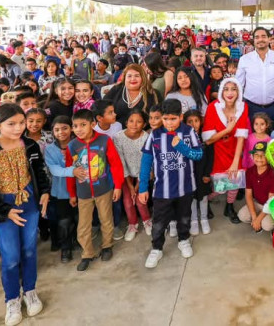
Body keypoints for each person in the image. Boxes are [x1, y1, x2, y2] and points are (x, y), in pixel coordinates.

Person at [0, 103, 50, 326]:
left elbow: (40, 172)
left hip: (29, 205)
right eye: (11, 124)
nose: (18, 128)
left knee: (29, 250)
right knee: (11, 257)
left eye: (21, 123)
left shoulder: (31, 145)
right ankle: (12, 299)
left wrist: (44, 192)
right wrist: (4, 210)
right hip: (3, 210)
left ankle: (30, 291)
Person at [139, 99, 203, 269]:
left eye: (173, 119)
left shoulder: (188, 132)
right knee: (159, 222)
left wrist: (182, 147)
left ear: (181, 117)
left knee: (184, 217)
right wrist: (143, 187)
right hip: (162, 190)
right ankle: (156, 248)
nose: (169, 123)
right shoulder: (154, 135)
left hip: (185, 187)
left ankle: (184, 240)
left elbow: (198, 155)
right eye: (165, 119)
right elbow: (146, 162)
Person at [66, 109, 124, 272]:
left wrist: (118, 186)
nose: (78, 129)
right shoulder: (72, 146)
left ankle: (107, 246)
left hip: (104, 189)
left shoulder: (104, 140)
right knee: (83, 225)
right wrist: (72, 193)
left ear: (92, 124)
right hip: (83, 193)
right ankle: (87, 254)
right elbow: (70, 171)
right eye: (75, 126)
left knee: (106, 219)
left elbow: (115, 164)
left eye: (83, 125)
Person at [202, 78, 249, 223]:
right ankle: (204, 201)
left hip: (234, 148)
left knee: (235, 179)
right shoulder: (213, 107)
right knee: (220, 187)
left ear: (239, 92)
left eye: (234, 89)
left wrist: (236, 162)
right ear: (221, 92)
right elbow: (208, 140)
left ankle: (229, 206)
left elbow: (241, 136)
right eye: (226, 89)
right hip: (217, 149)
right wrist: (228, 130)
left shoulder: (243, 107)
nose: (230, 93)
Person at [43, 116, 81, 263]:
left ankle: (77, 239)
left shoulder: (78, 144)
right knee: (64, 221)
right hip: (61, 192)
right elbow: (54, 170)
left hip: (80, 189)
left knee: (79, 218)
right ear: (52, 131)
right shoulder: (50, 149)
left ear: (71, 129)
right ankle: (65, 248)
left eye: (65, 128)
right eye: (57, 129)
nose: (61, 132)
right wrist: (73, 171)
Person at [235, 27, 274, 120]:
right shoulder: (245, 59)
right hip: (251, 107)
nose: (260, 39)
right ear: (254, 40)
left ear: (269, 39)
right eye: (257, 37)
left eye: (263, 36)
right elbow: (239, 84)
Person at [112, 111, 152, 240]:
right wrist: (130, 186)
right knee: (128, 201)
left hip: (142, 172)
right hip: (125, 173)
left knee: (141, 200)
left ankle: (147, 220)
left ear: (144, 124)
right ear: (126, 123)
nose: (134, 124)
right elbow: (121, 162)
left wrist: (138, 184)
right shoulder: (118, 137)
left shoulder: (146, 138)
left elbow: (145, 163)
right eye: (131, 121)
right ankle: (132, 224)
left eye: (139, 122)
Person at [238, 141, 274, 232]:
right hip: (258, 203)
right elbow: (248, 195)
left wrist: (258, 219)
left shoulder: (273, 173)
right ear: (252, 156)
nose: (259, 158)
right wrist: (254, 217)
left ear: (269, 157)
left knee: (266, 225)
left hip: (270, 205)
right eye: (256, 155)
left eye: (263, 155)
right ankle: (258, 218)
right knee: (242, 216)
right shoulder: (250, 171)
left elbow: (270, 201)